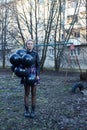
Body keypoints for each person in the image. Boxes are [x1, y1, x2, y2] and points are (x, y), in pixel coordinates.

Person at [23, 38, 40, 118]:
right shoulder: (23, 54)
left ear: (33, 45)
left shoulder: (36, 54)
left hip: (34, 74)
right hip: (26, 74)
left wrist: (37, 75)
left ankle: (33, 111)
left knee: (34, 93)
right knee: (26, 93)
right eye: (28, 43)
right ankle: (26, 110)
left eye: (31, 43)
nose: (30, 45)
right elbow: (20, 65)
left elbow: (38, 65)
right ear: (26, 45)